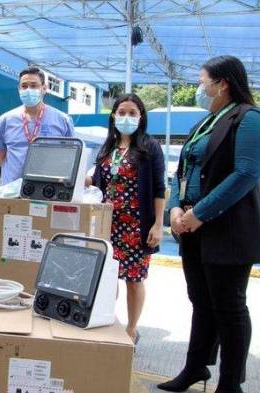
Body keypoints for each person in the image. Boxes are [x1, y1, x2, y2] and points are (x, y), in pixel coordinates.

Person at [159, 55, 260, 393]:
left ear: (223, 83)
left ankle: (229, 382)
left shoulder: (250, 119)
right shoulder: (204, 123)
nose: (199, 88)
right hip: (193, 227)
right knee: (201, 301)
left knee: (230, 306)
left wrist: (199, 213)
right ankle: (195, 367)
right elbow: (182, 174)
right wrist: (177, 210)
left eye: (203, 81)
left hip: (227, 229)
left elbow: (245, 174)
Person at [88, 93, 165, 344]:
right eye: (121, 112)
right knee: (106, 278)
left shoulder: (149, 147)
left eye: (132, 113)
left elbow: (158, 187)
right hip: (106, 225)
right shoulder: (107, 148)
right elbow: (97, 181)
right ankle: (107, 321)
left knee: (134, 280)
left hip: (135, 226)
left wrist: (157, 224)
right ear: (113, 115)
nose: (126, 117)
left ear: (141, 117)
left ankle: (132, 329)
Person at [0, 66, 75, 184]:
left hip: (48, 190)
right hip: (12, 191)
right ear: (19, 89)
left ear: (44, 88)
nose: (28, 90)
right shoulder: (6, 119)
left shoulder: (63, 120)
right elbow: (1, 158)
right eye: (24, 86)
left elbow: (70, 158)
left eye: (34, 86)